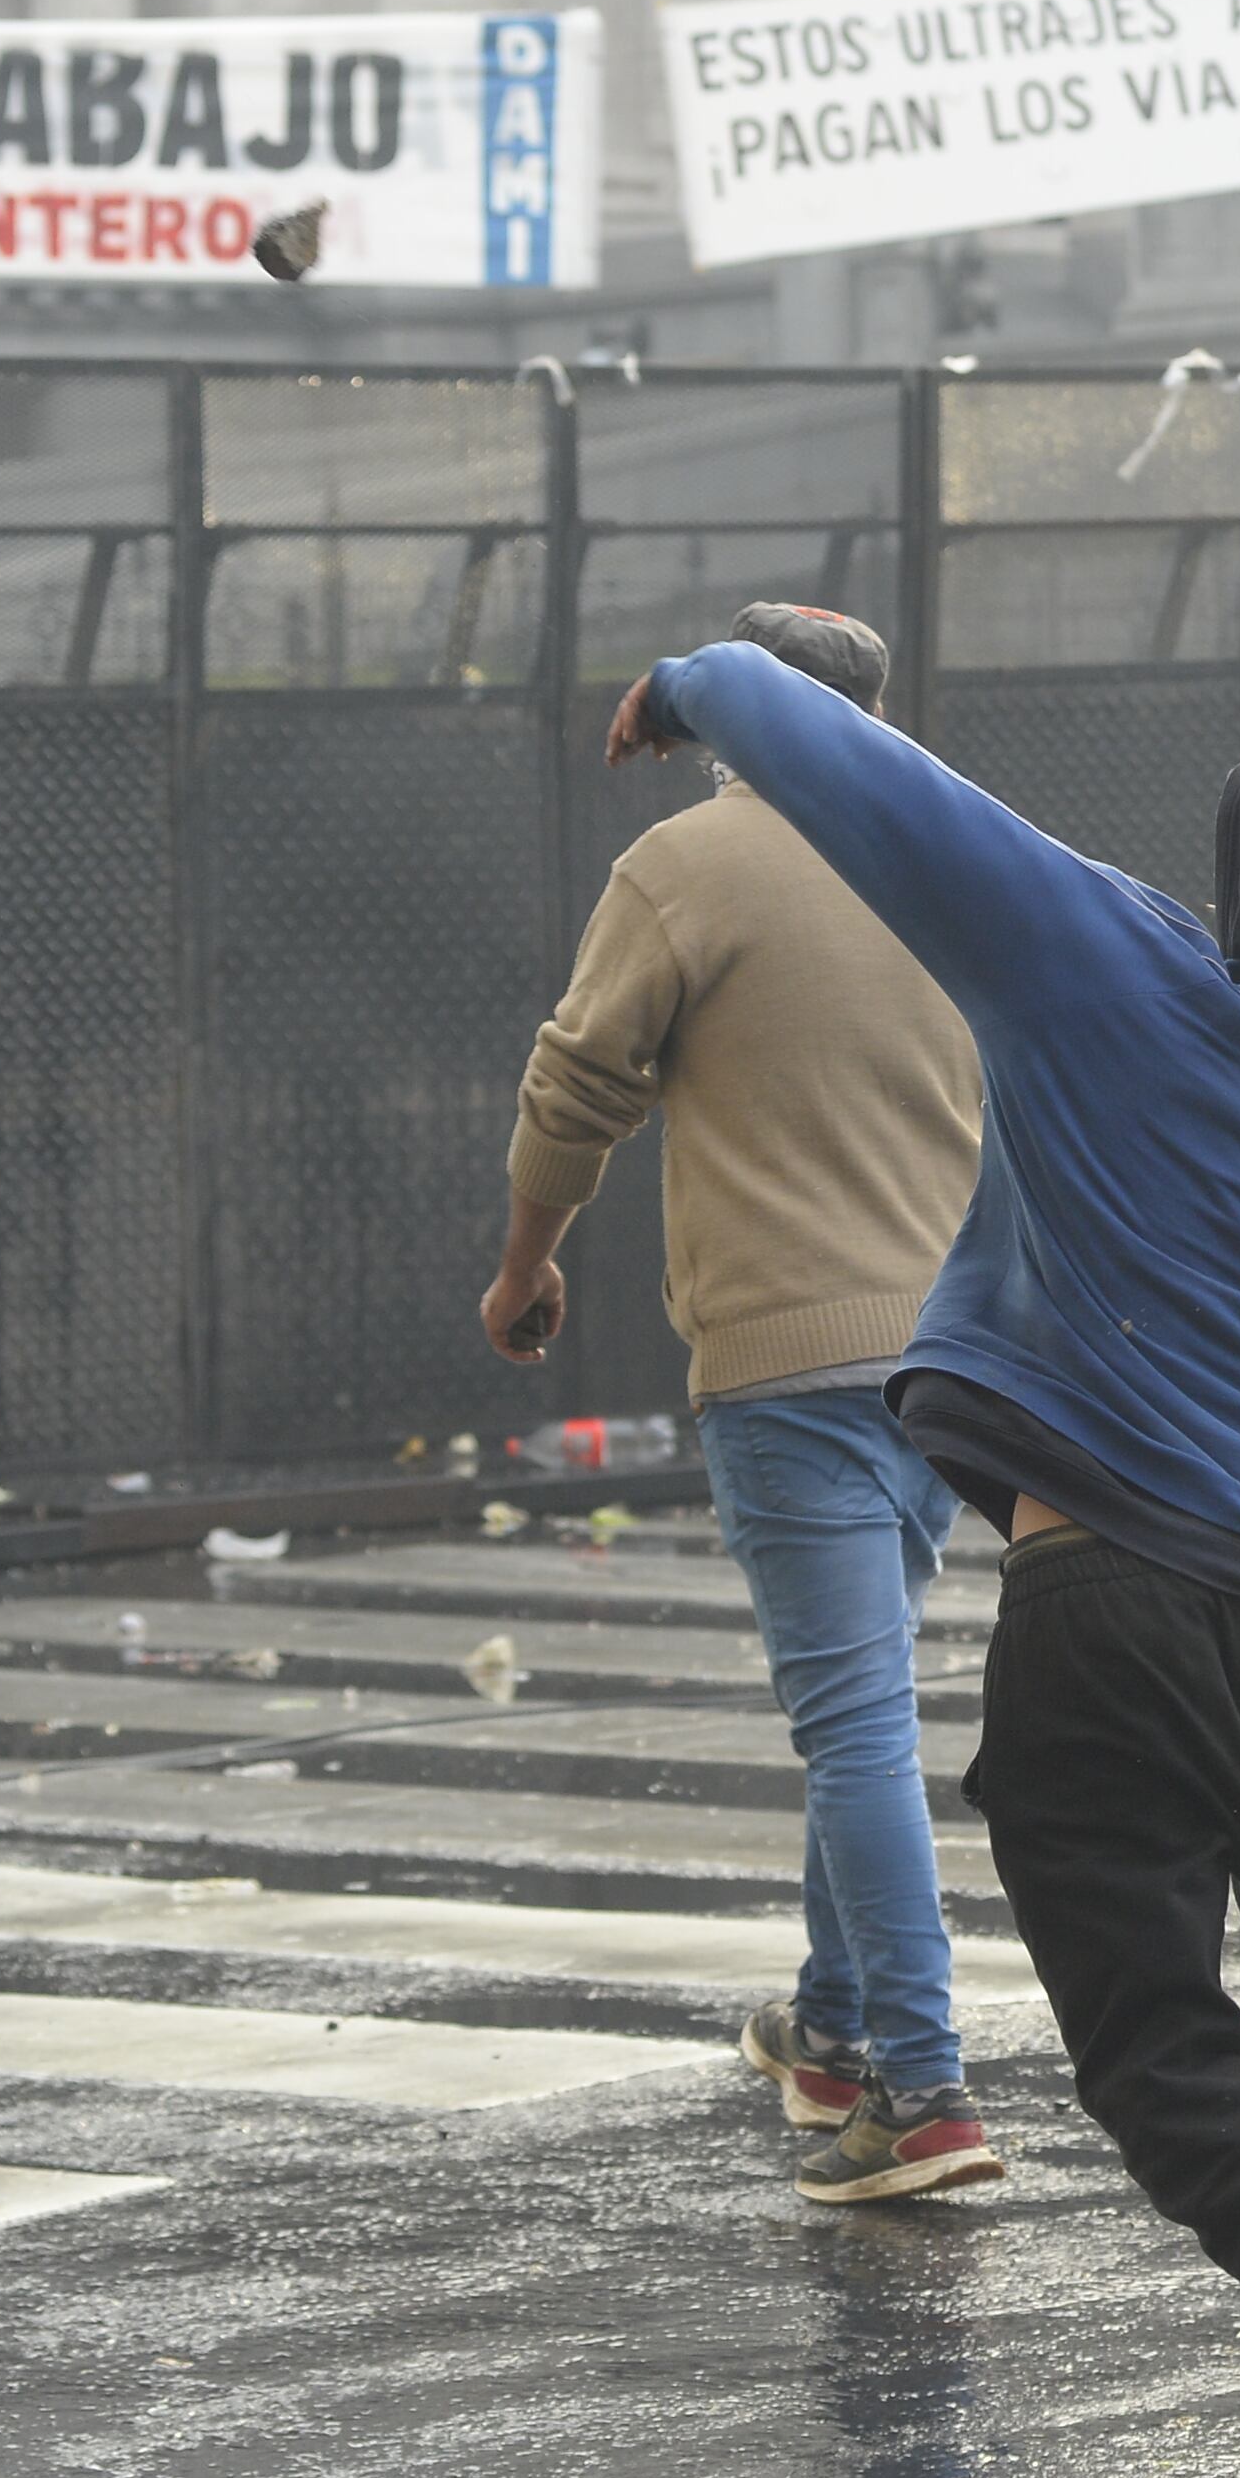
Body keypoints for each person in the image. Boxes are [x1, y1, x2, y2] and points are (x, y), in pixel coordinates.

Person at [600, 637, 1240, 2478]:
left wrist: (700, 677)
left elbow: (879, 787)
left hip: (1103, 1596)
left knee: (1153, 2048)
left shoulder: (1113, 966)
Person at [490, 601, 998, 2205]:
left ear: (734, 724)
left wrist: (526, 1265)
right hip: (955, 1357)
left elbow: (578, 1083)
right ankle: (835, 2031)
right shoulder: (960, 859)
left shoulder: (688, 872)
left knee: (854, 1721)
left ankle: (921, 2091)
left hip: (788, 1357)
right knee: (861, 1692)